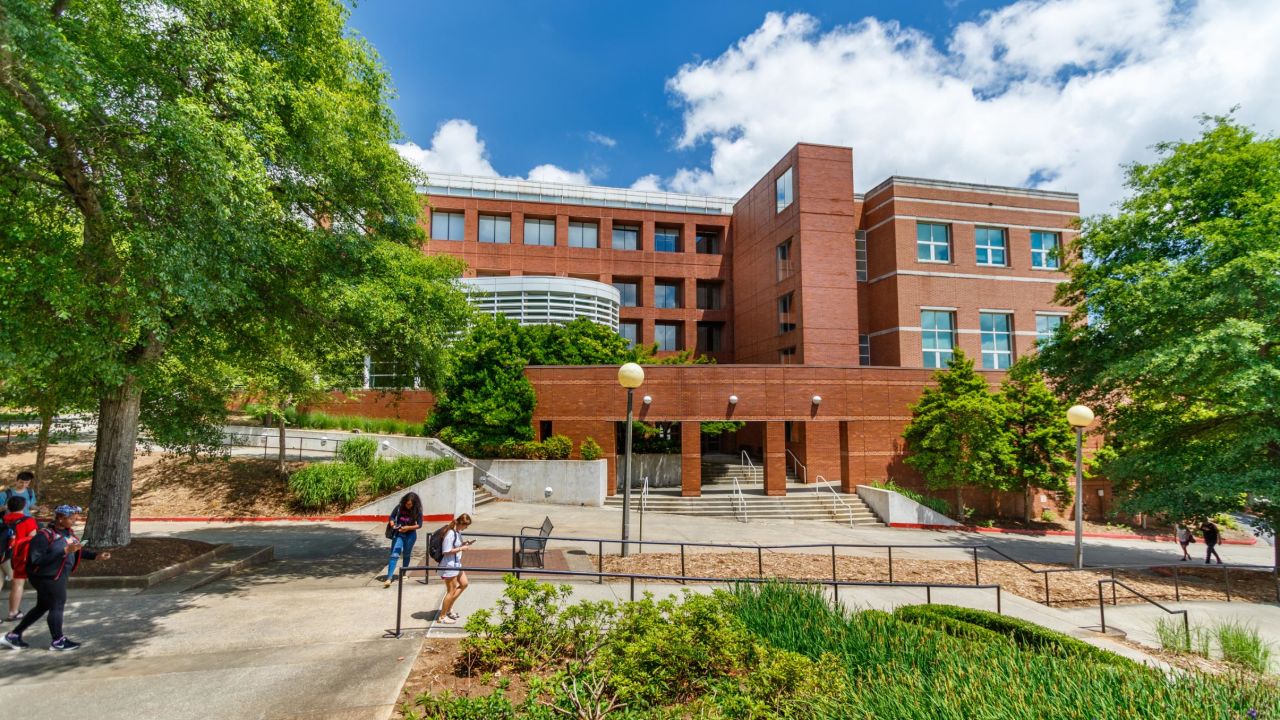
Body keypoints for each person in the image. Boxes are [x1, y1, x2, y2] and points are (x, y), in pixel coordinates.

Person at [1, 505, 110, 651]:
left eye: (76, 517)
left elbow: (77, 551)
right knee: (57, 605)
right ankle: (58, 641)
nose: (75, 520)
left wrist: (96, 556)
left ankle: (13, 636)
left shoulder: (67, 533)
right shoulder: (43, 536)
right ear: (60, 518)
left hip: (57, 576)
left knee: (43, 606)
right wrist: (64, 550)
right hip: (47, 578)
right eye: (71, 518)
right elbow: (36, 560)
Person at [3, 496, 40, 621]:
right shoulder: (28, 520)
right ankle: (13, 612)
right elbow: (33, 539)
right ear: (24, 506)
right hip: (17, 557)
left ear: (8, 506)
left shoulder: (3, 519)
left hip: (1, 554)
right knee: (17, 584)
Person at [1, 471, 41, 584]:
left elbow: (30, 505)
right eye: (21, 482)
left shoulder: (30, 492)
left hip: (27, 522)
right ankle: (15, 574)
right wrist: (5, 507)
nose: (23, 485)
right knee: (12, 544)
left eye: (26, 482)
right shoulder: (5, 494)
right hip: (10, 523)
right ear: (16, 481)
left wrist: (39, 509)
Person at [437, 513, 474, 625]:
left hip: (456, 564)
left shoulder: (457, 532)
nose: (466, 528)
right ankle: (442, 617)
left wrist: (463, 543)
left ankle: (448, 608)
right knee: (451, 591)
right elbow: (446, 550)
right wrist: (462, 548)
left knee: (464, 583)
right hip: (449, 565)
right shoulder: (450, 533)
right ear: (461, 523)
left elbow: (454, 546)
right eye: (465, 526)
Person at [383, 492, 423, 589]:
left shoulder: (417, 510)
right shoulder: (399, 507)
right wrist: (393, 525)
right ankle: (389, 578)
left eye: (410, 504)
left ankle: (404, 573)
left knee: (406, 554)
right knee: (394, 554)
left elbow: (419, 525)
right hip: (398, 534)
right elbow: (391, 517)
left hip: (410, 535)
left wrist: (408, 527)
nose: (407, 505)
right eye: (406, 503)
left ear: (414, 503)